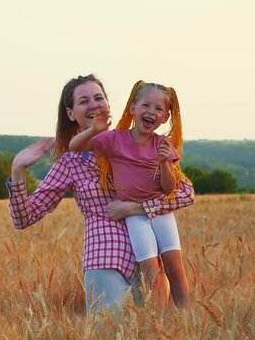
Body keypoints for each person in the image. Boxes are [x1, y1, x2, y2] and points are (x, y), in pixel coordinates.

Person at [6, 75, 195, 316]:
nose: (94, 105)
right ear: (71, 113)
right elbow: (24, 218)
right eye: (84, 101)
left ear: (109, 104)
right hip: (105, 256)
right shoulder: (71, 163)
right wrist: (18, 171)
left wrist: (135, 209)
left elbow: (185, 193)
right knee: (108, 330)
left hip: (150, 257)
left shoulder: (137, 143)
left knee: (157, 330)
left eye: (99, 98)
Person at [69, 80, 191, 308]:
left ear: (165, 118)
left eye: (158, 109)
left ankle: (187, 319)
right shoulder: (115, 139)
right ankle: (159, 322)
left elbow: (168, 189)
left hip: (161, 214)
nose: (151, 112)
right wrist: (94, 130)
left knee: (175, 267)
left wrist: (164, 162)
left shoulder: (162, 144)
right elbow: (75, 147)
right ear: (132, 109)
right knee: (150, 270)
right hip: (135, 217)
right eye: (146, 105)